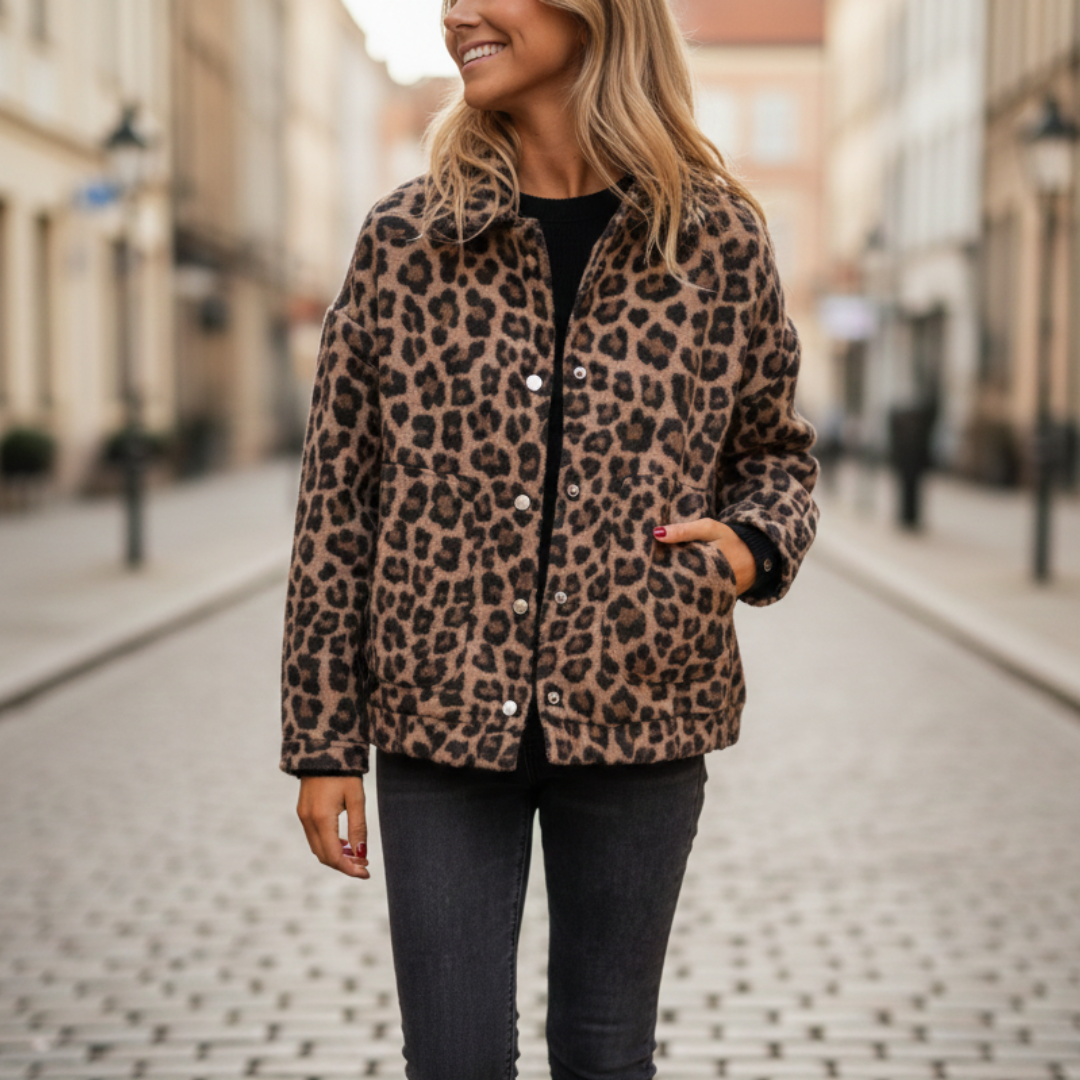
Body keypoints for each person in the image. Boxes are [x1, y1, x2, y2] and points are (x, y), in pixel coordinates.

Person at [280, 0, 820, 1076]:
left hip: (645, 710)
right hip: (437, 721)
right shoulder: (405, 240)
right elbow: (338, 501)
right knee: (456, 1060)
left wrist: (753, 545)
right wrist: (322, 743)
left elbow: (778, 452)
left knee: (607, 1056)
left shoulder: (715, 238)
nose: (454, 15)